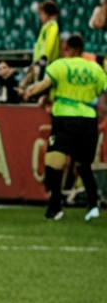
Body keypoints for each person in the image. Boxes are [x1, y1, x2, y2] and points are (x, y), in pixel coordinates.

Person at [23, 34, 107, 221]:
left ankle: (55, 207)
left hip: (64, 119)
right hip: (87, 120)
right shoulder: (95, 69)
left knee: (54, 163)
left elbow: (44, 85)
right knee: (84, 166)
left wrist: (29, 93)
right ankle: (92, 206)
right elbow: (105, 90)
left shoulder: (60, 65)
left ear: (68, 49)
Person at [20, 0, 60, 92]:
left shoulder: (53, 26)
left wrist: (44, 59)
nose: (40, 17)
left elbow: (50, 44)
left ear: (46, 14)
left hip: (44, 63)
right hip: (40, 62)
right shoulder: (46, 27)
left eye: (41, 14)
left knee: (39, 86)